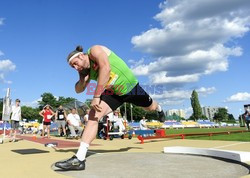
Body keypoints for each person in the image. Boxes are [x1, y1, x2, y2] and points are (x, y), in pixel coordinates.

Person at [55, 45, 165, 170]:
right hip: (113, 93)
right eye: (72, 67)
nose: (75, 67)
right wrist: (82, 79)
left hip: (131, 87)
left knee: (150, 107)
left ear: (81, 56)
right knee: (93, 116)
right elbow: (78, 90)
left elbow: (106, 68)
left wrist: (96, 96)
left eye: (75, 63)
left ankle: (159, 109)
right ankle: (79, 159)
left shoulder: (94, 50)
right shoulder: (85, 71)